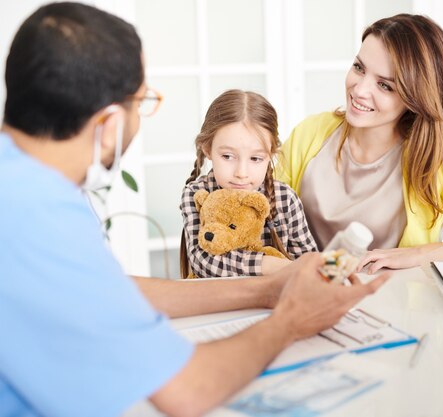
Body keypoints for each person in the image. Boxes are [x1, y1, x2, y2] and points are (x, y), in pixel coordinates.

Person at [0, 3, 389, 417]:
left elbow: (106, 290)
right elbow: (187, 391)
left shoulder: (22, 187)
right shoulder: (44, 219)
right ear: (110, 123)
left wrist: (267, 288)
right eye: (142, 100)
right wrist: (291, 320)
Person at [277, 13, 443, 274]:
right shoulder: (311, 134)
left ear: (415, 97)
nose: (359, 90)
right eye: (359, 68)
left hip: (396, 307)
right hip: (302, 296)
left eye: (385, 85)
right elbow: (261, 219)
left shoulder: (436, 161)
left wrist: (419, 254)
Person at [180, 90, 317, 278]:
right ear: (207, 149)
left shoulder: (285, 198)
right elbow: (202, 260)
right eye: (228, 156)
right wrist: (267, 264)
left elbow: (308, 261)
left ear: (270, 155)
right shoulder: (197, 193)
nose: (241, 173)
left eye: (255, 158)